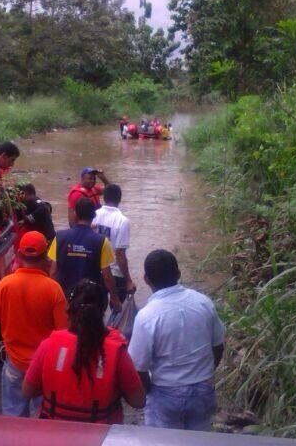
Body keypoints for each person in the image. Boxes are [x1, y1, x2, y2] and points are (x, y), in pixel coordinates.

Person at [22, 279, 145, 423]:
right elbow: (138, 401)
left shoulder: (47, 346)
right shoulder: (117, 353)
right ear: (103, 310)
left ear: (69, 311)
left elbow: (27, 391)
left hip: (53, 434)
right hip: (100, 436)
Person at [128, 249, 225, 431]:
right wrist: (204, 374)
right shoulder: (203, 302)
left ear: (146, 279)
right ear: (178, 274)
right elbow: (218, 346)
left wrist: (150, 391)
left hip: (165, 392)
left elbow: (138, 369)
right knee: (199, 442)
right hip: (203, 388)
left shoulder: (147, 316)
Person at [0, 231, 69, 417]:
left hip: (14, 364)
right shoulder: (53, 289)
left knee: (13, 417)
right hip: (43, 367)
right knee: (42, 418)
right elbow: (62, 332)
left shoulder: (5, 285)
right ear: (45, 257)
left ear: (19, 255)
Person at [49, 198, 122, 313]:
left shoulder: (59, 237)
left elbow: (53, 272)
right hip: (92, 300)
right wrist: (115, 298)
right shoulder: (102, 241)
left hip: (66, 297)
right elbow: (107, 276)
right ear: (93, 215)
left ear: (75, 214)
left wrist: (53, 298)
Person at [92, 184, 135, 303]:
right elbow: (120, 253)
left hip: (95, 271)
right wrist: (128, 280)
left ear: (104, 197)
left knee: (96, 309)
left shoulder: (94, 215)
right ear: (119, 199)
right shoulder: (123, 221)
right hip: (115, 273)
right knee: (117, 311)